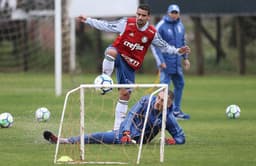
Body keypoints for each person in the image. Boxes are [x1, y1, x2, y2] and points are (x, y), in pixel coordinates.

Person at [77, 4, 191, 130]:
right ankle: (106, 80)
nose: (140, 17)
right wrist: (88, 20)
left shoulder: (151, 33)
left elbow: (164, 46)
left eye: (143, 15)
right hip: (119, 53)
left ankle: (116, 130)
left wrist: (177, 51)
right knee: (111, 52)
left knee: (125, 94)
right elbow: (107, 26)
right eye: (138, 14)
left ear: (148, 17)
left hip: (131, 64)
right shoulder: (126, 23)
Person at [43, 90, 185, 145]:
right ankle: (63, 140)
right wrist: (126, 132)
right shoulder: (147, 100)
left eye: (163, 101)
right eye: (159, 98)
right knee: (96, 137)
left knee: (103, 137)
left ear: (169, 105)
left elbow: (180, 137)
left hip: (139, 142)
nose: (159, 102)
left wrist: (172, 141)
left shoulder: (169, 117)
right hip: (123, 133)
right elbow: (130, 115)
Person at [151, 4, 191, 120]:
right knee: (164, 88)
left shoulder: (180, 25)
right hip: (166, 63)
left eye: (176, 12)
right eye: (172, 12)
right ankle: (162, 111)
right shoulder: (161, 26)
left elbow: (183, 43)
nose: (174, 14)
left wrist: (186, 58)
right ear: (168, 13)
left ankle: (176, 110)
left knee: (180, 84)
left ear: (178, 13)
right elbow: (155, 45)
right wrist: (160, 61)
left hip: (176, 63)